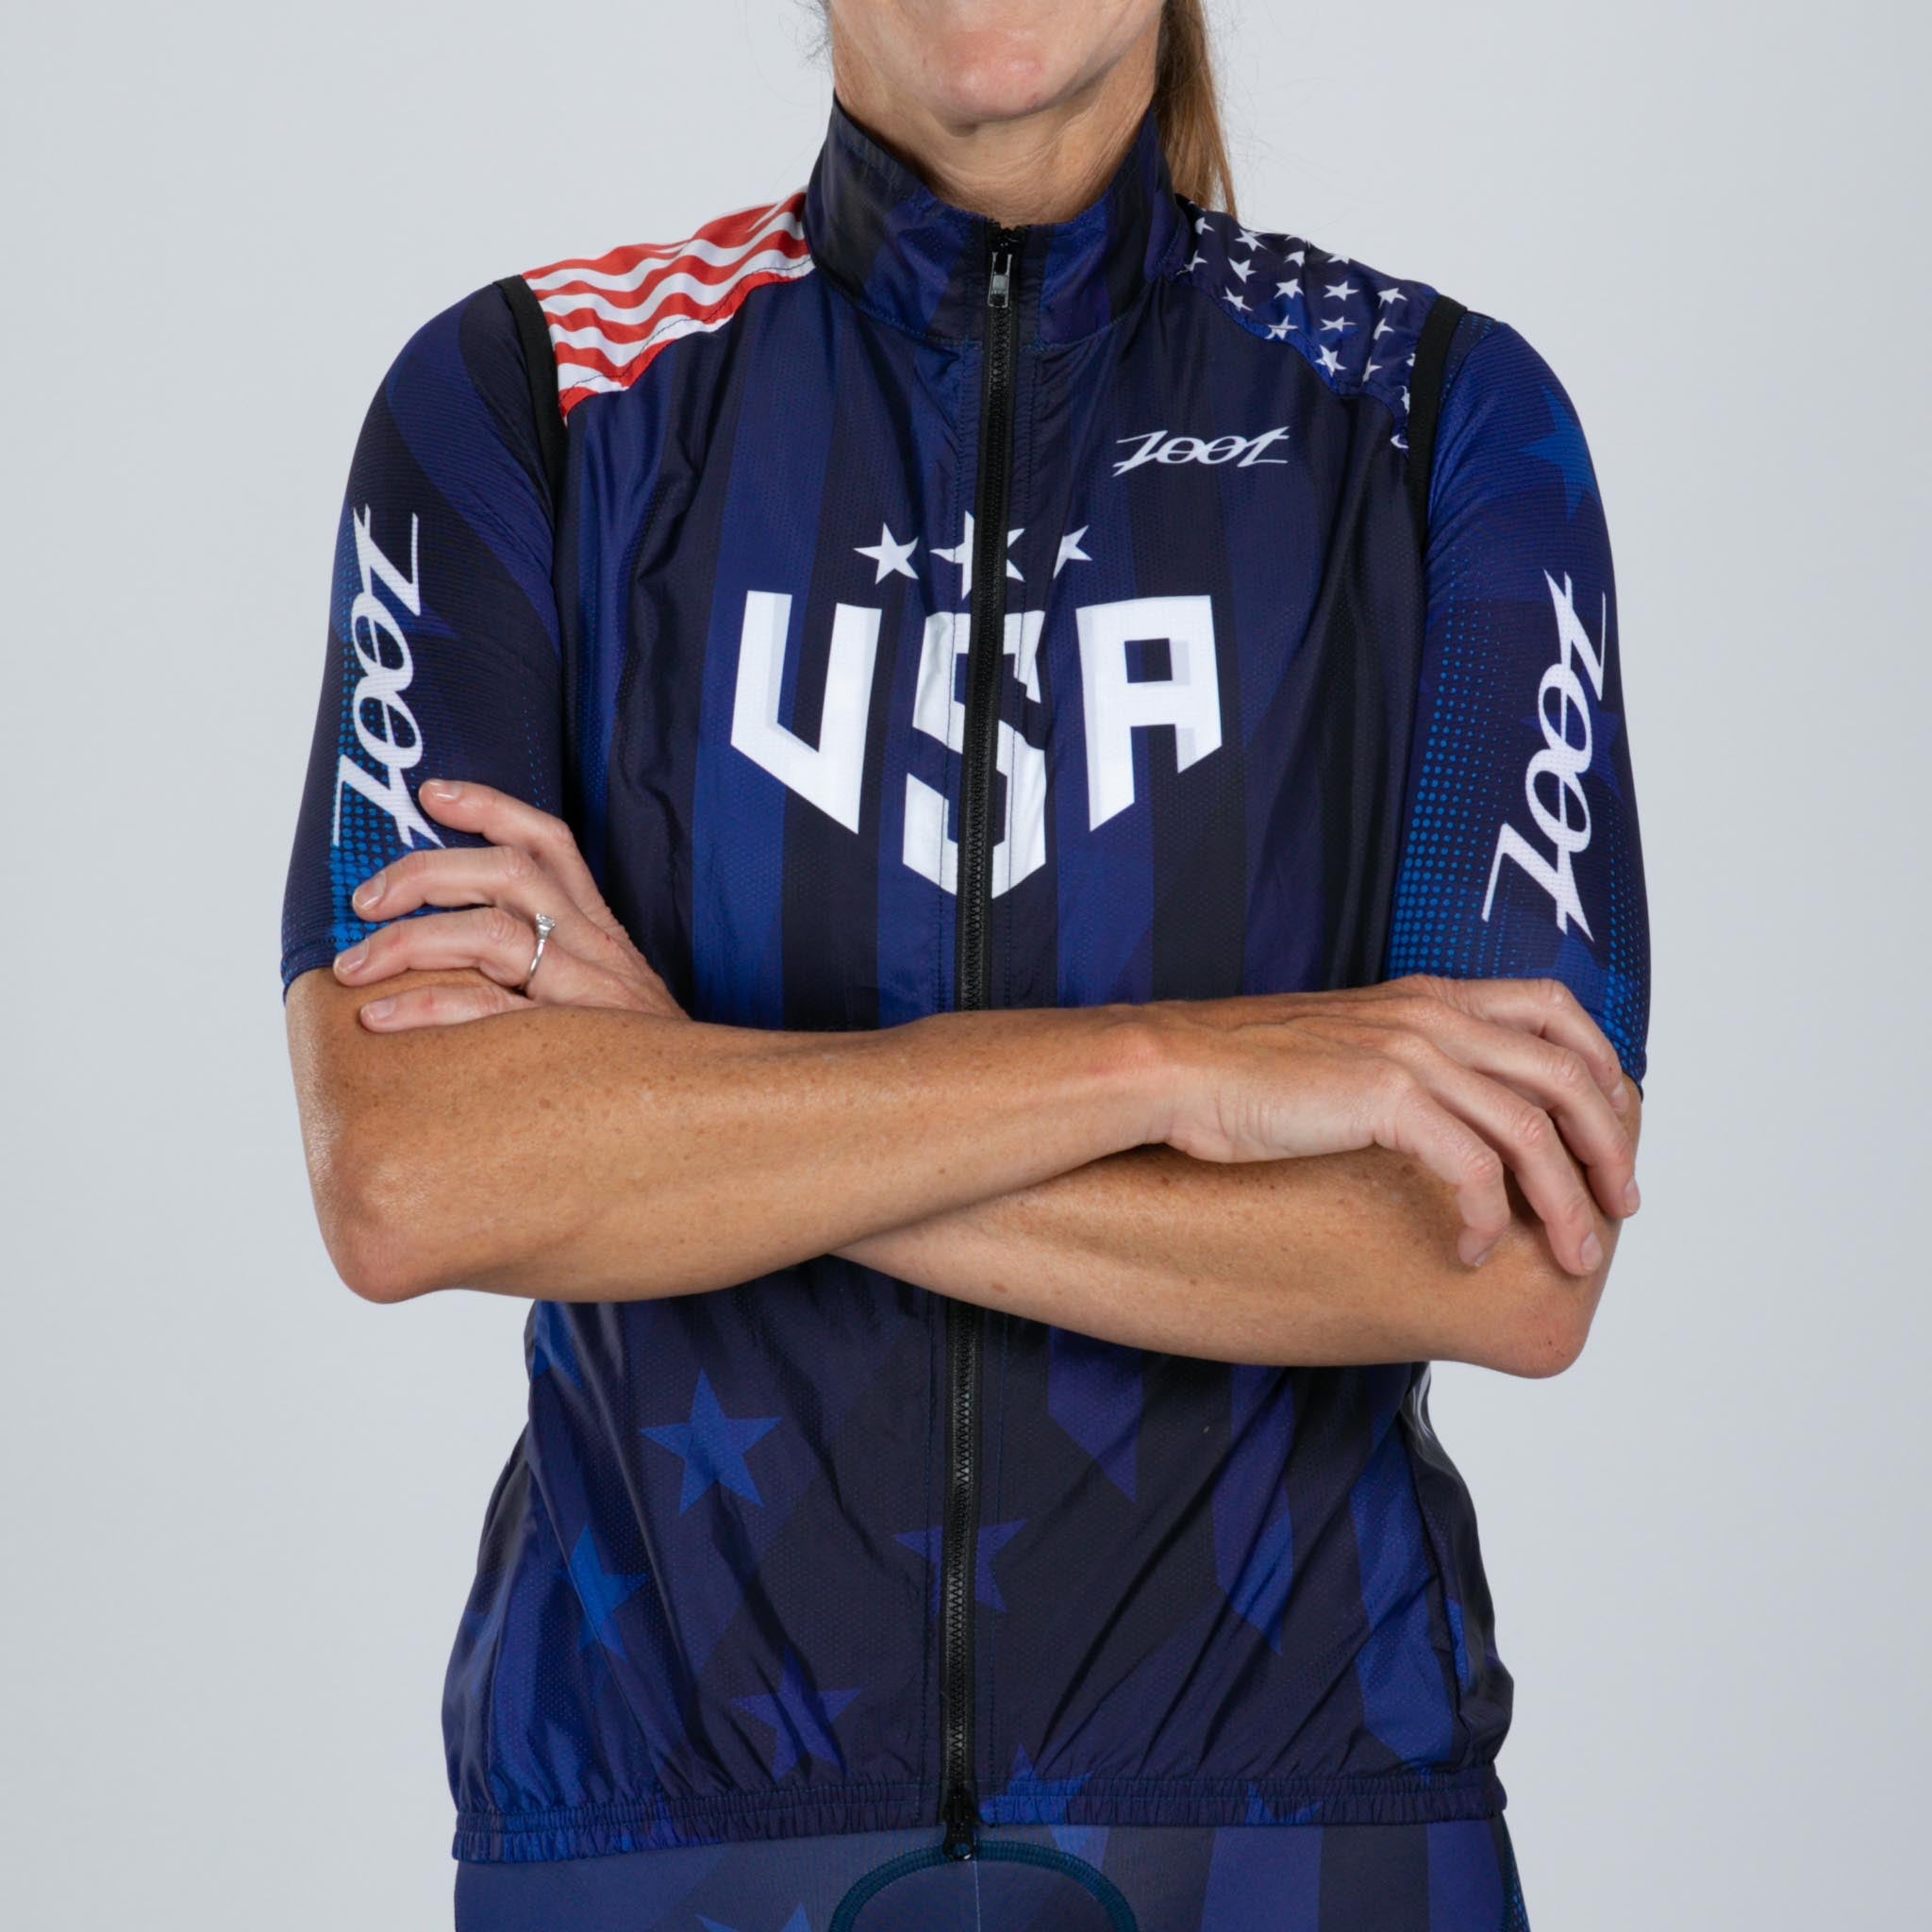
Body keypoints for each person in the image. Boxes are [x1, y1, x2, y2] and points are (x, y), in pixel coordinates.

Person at [279, 2, 1649, 1924]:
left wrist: (685, 1106)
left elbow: (1501, 1252)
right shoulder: (527, 400)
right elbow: (416, 1173)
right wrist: (1171, 1069)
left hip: (1301, 1824)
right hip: (658, 1828)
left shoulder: (1436, 418)